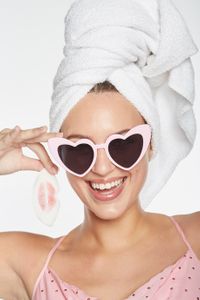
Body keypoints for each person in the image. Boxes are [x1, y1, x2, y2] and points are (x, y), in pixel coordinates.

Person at [0, 1, 200, 300]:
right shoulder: (20, 262)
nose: (103, 168)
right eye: (80, 150)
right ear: (58, 154)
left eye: (124, 145)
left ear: (150, 143)